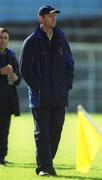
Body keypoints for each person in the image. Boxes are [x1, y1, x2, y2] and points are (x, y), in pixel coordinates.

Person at [20, 5, 74, 176]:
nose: (54, 19)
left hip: (59, 95)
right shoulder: (31, 42)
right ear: (41, 19)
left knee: (56, 131)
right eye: (50, 16)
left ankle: (45, 161)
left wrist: (66, 86)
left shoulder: (61, 39)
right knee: (42, 132)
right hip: (40, 97)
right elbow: (25, 70)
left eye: (55, 16)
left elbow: (69, 64)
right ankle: (45, 167)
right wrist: (39, 89)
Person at [0, 28, 21, 165]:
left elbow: (18, 77)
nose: (3, 41)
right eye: (1, 37)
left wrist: (15, 77)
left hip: (7, 99)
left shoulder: (11, 55)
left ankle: (2, 157)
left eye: (6, 38)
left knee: (4, 129)